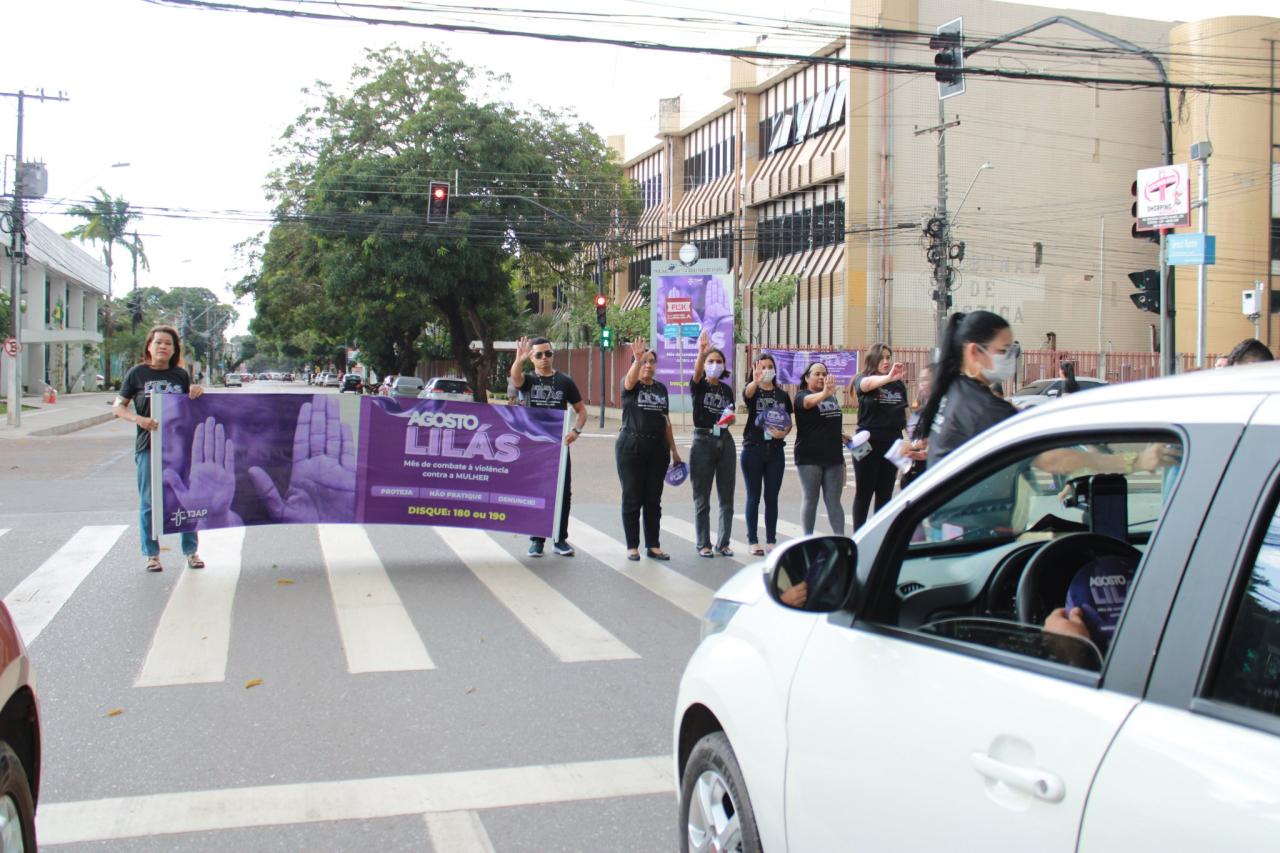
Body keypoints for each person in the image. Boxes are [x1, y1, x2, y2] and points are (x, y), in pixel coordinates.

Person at [113, 325, 206, 573]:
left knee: (186, 500)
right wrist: (139, 420)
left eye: (168, 343)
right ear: (149, 346)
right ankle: (152, 555)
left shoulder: (180, 375)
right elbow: (118, 407)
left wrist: (197, 391)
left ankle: (191, 551)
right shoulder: (137, 374)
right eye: (158, 342)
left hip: (179, 448)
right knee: (149, 502)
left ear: (174, 349)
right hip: (148, 448)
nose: (163, 347)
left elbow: (192, 405)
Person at [510, 336, 588, 558]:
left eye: (548, 353)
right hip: (535, 447)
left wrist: (576, 431)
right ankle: (536, 540)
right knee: (536, 491)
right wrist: (519, 360)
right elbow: (515, 379)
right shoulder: (529, 381)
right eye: (539, 355)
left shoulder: (565, 382)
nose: (545, 358)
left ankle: (560, 539)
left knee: (562, 492)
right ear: (532, 359)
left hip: (559, 447)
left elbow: (581, 410)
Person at [919, 311, 1022, 467]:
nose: (1009, 357)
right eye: (1003, 350)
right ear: (974, 351)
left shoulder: (954, 387)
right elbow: (1050, 461)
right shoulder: (985, 408)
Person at [616, 338, 682, 561]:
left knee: (653, 499)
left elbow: (666, 421)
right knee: (632, 496)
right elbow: (629, 382)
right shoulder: (631, 384)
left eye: (651, 361)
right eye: (644, 361)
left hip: (658, 448)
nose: (648, 365)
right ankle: (632, 546)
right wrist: (636, 359)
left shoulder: (661, 389)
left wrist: (674, 450)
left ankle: (653, 545)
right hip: (631, 446)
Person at [689, 331, 737, 558]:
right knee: (702, 496)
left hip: (725, 441)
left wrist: (730, 418)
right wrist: (701, 353)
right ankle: (704, 543)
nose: (715, 365)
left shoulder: (727, 390)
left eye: (719, 362)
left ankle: (724, 543)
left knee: (726, 495)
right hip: (703, 440)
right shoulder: (699, 385)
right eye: (711, 361)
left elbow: (731, 412)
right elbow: (697, 373)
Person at [741, 353, 793, 556]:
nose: (767, 370)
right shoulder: (753, 391)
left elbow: (787, 422)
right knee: (753, 497)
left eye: (770, 366)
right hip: (753, 449)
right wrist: (755, 381)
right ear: (756, 369)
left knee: (772, 497)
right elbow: (747, 394)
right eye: (762, 367)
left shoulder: (782, 395)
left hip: (776, 451)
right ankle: (753, 540)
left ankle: (771, 540)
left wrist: (784, 432)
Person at [851, 343, 908, 529]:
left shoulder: (898, 384)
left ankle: (879, 535)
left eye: (888, 357)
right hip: (867, 443)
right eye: (882, 357)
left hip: (892, 443)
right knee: (864, 492)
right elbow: (866, 386)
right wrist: (888, 377)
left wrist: (912, 440)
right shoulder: (863, 378)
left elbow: (904, 413)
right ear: (872, 360)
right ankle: (859, 536)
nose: (886, 361)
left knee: (885, 492)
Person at [794, 362, 850, 537]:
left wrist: (842, 436)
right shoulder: (802, 396)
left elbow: (830, 422)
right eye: (816, 374)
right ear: (807, 377)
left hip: (834, 457)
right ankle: (807, 539)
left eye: (824, 374)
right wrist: (825, 392)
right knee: (811, 500)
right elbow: (809, 403)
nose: (821, 377)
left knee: (834, 501)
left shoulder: (831, 398)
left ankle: (840, 539)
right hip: (809, 458)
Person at [900, 364, 933, 490]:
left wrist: (916, 448)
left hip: (929, 472)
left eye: (926, 379)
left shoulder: (942, 408)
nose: (921, 383)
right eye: (920, 379)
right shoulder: (920, 408)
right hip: (912, 469)